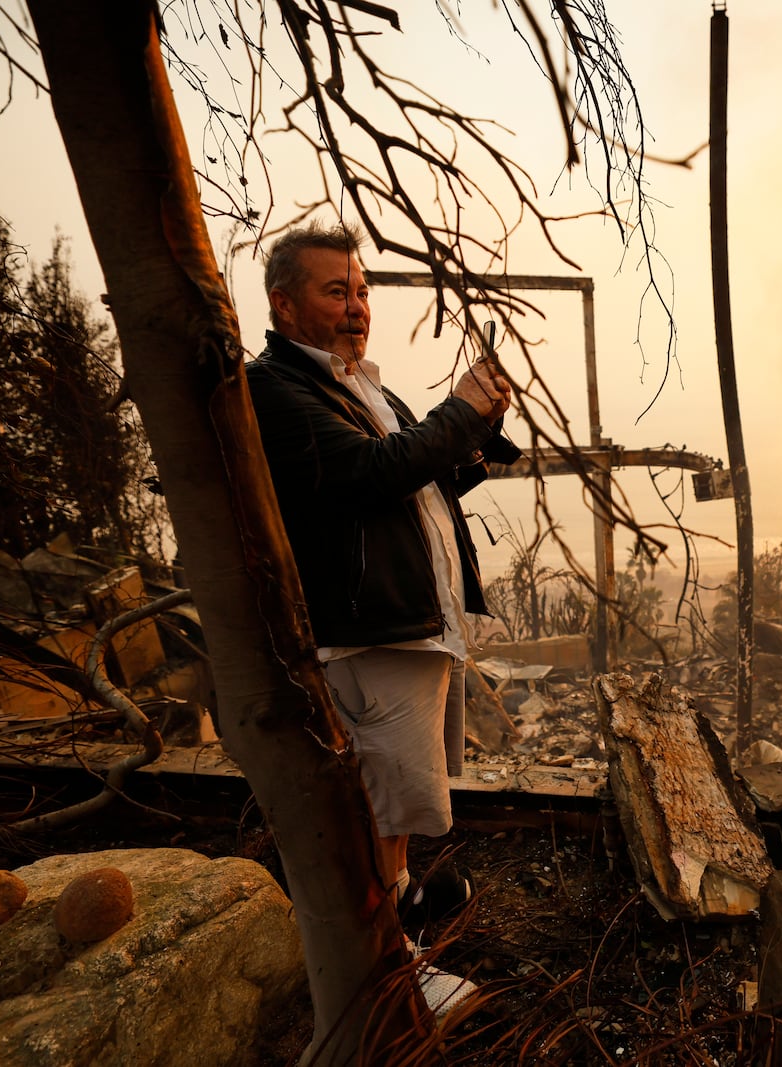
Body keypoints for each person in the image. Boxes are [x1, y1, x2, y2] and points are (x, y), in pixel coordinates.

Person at [244, 222, 517, 955]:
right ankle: (380, 963)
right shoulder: (273, 389)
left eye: (361, 291)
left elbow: (425, 477)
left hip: (412, 631)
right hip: (370, 636)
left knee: (393, 813)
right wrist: (457, 411)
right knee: (378, 810)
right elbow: (373, 473)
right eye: (337, 291)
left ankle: (394, 927)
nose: (358, 306)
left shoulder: (360, 385)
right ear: (285, 305)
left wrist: (481, 426)